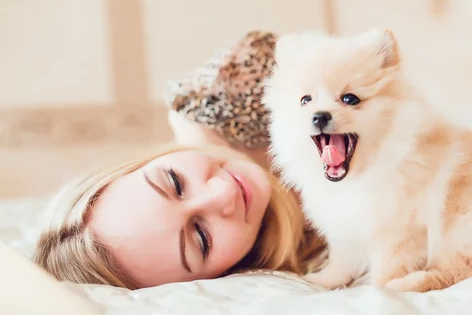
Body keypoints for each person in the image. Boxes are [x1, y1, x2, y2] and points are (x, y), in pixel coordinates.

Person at [32, 111, 325, 289]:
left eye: (174, 181)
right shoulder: (335, 250)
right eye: (201, 237)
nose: (223, 193)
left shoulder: (225, 96)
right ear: (220, 275)